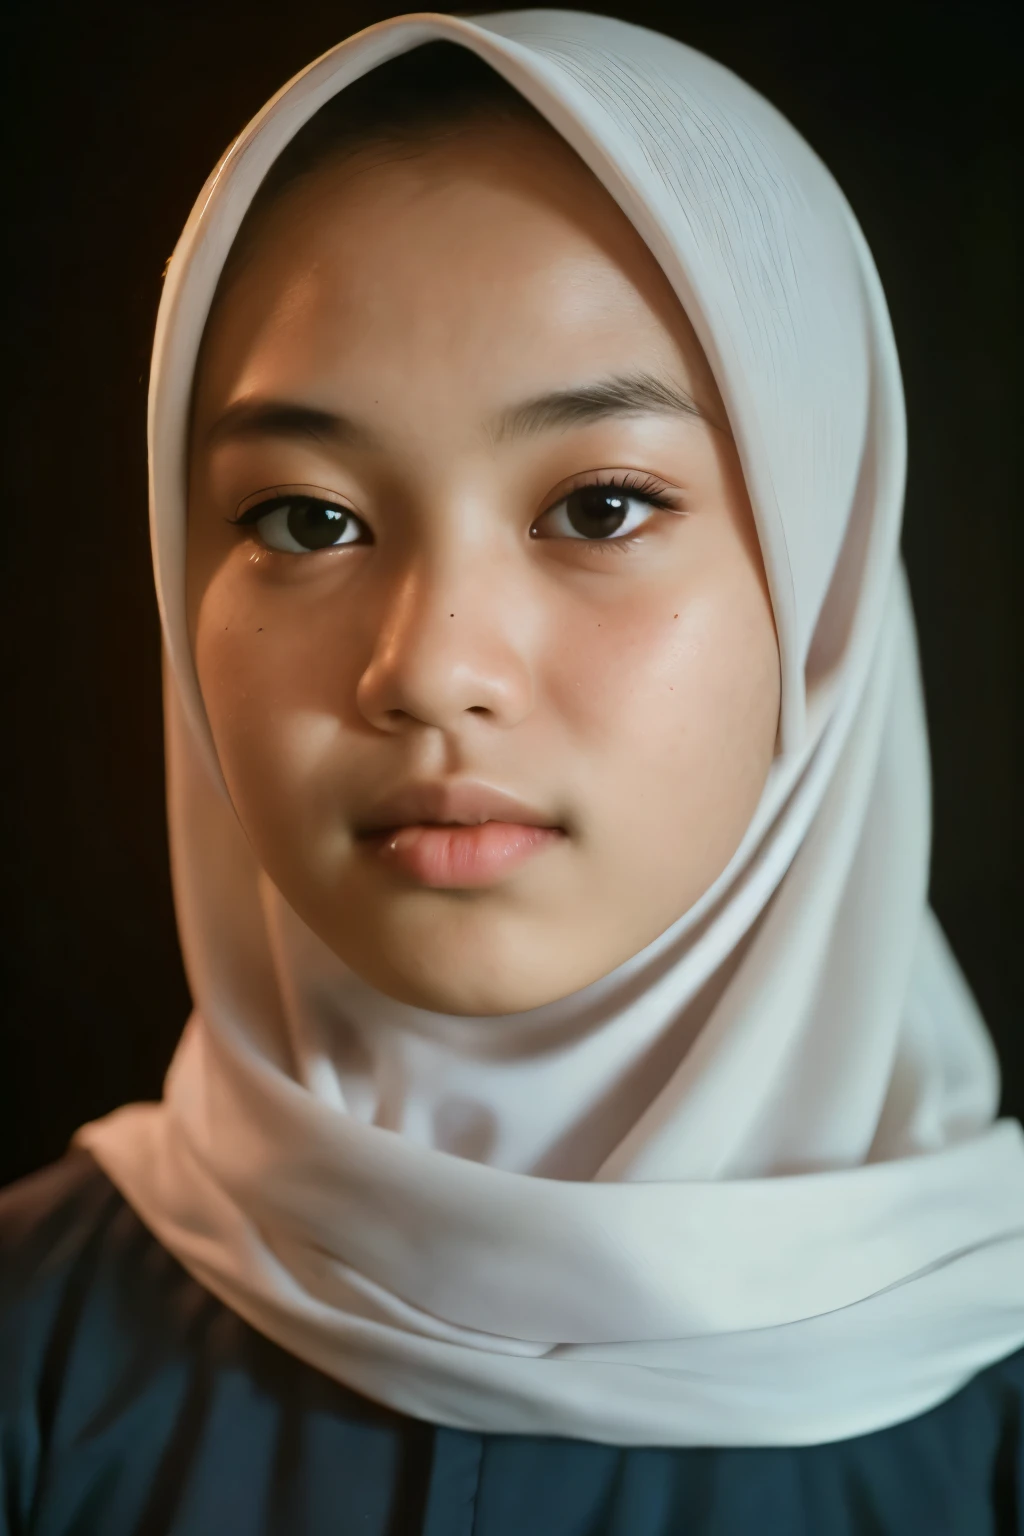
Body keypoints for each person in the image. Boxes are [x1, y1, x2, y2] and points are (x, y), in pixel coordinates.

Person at [2, 11, 1022, 1533]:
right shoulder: (36, 1353)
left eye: (600, 506)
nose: (428, 667)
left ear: (820, 599)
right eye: (304, 519)